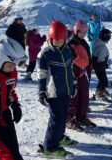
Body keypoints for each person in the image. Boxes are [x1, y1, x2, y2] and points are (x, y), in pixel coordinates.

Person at [37, 21, 76, 159]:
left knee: (64, 116)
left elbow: (70, 70)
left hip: (66, 90)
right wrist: (41, 91)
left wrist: (74, 84)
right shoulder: (46, 53)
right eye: (56, 40)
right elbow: (41, 74)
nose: (58, 43)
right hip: (53, 92)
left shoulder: (67, 50)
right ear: (50, 38)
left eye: (61, 40)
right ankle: (49, 147)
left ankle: (59, 137)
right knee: (56, 119)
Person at [66, 20, 95, 132]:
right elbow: (76, 60)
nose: (83, 35)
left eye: (84, 32)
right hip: (77, 74)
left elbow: (87, 56)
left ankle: (81, 117)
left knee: (84, 96)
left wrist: (90, 66)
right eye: (81, 32)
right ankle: (69, 118)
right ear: (75, 30)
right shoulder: (72, 44)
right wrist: (79, 60)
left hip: (85, 73)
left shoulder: (82, 42)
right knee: (75, 97)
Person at [92, 28, 112, 102]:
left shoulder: (98, 43)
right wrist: (104, 65)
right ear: (106, 37)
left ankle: (100, 91)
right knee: (104, 80)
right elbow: (100, 59)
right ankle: (99, 95)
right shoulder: (102, 47)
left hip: (97, 65)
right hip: (99, 66)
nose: (109, 38)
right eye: (109, 36)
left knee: (101, 80)